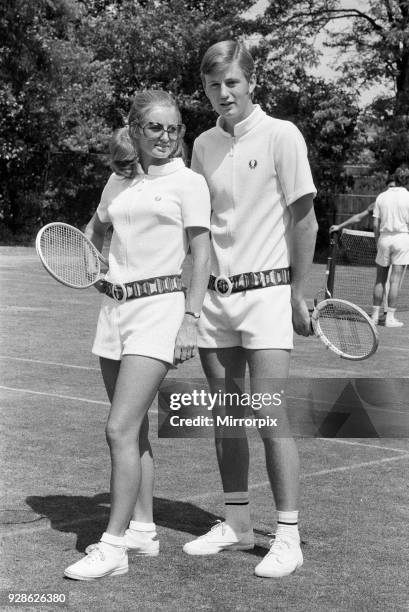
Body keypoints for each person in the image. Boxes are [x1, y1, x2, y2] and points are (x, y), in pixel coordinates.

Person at [182, 41, 317, 578]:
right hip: (215, 299)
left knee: (269, 415)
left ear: (251, 81)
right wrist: (191, 302)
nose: (223, 93)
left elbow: (304, 220)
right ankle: (236, 522)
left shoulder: (283, 135)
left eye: (232, 82)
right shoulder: (201, 144)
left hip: (266, 298)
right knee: (227, 418)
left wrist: (296, 293)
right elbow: (200, 231)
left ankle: (288, 536)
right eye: (214, 85)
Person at [64, 90, 211, 580]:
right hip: (114, 313)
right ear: (135, 131)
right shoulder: (118, 180)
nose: (167, 137)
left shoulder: (190, 183)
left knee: (118, 429)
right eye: (156, 128)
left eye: (174, 128)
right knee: (137, 430)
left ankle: (113, 548)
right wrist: (93, 264)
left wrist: (191, 317)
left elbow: (202, 254)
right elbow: (94, 230)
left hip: (160, 311)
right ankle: (143, 529)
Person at [371, 171, 409, 327]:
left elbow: (375, 224)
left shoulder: (381, 196)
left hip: (384, 238)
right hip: (402, 237)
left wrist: (377, 241)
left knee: (380, 278)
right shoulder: (408, 196)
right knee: (395, 279)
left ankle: (374, 316)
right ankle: (390, 318)